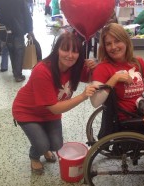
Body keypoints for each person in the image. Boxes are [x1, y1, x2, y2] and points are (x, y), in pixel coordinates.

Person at [12, 32, 97, 175]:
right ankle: (34, 156)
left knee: (57, 145)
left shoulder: (75, 67)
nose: (70, 55)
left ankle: (43, 145)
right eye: (65, 49)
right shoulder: (42, 70)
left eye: (75, 51)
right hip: (27, 112)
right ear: (57, 49)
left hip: (49, 114)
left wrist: (94, 67)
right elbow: (55, 109)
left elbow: (91, 78)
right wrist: (83, 96)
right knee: (42, 145)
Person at [0, 0, 34, 82]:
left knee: (11, 51)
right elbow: (26, 14)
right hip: (18, 29)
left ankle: (15, 72)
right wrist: (30, 30)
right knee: (19, 52)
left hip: (5, 30)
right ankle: (18, 75)